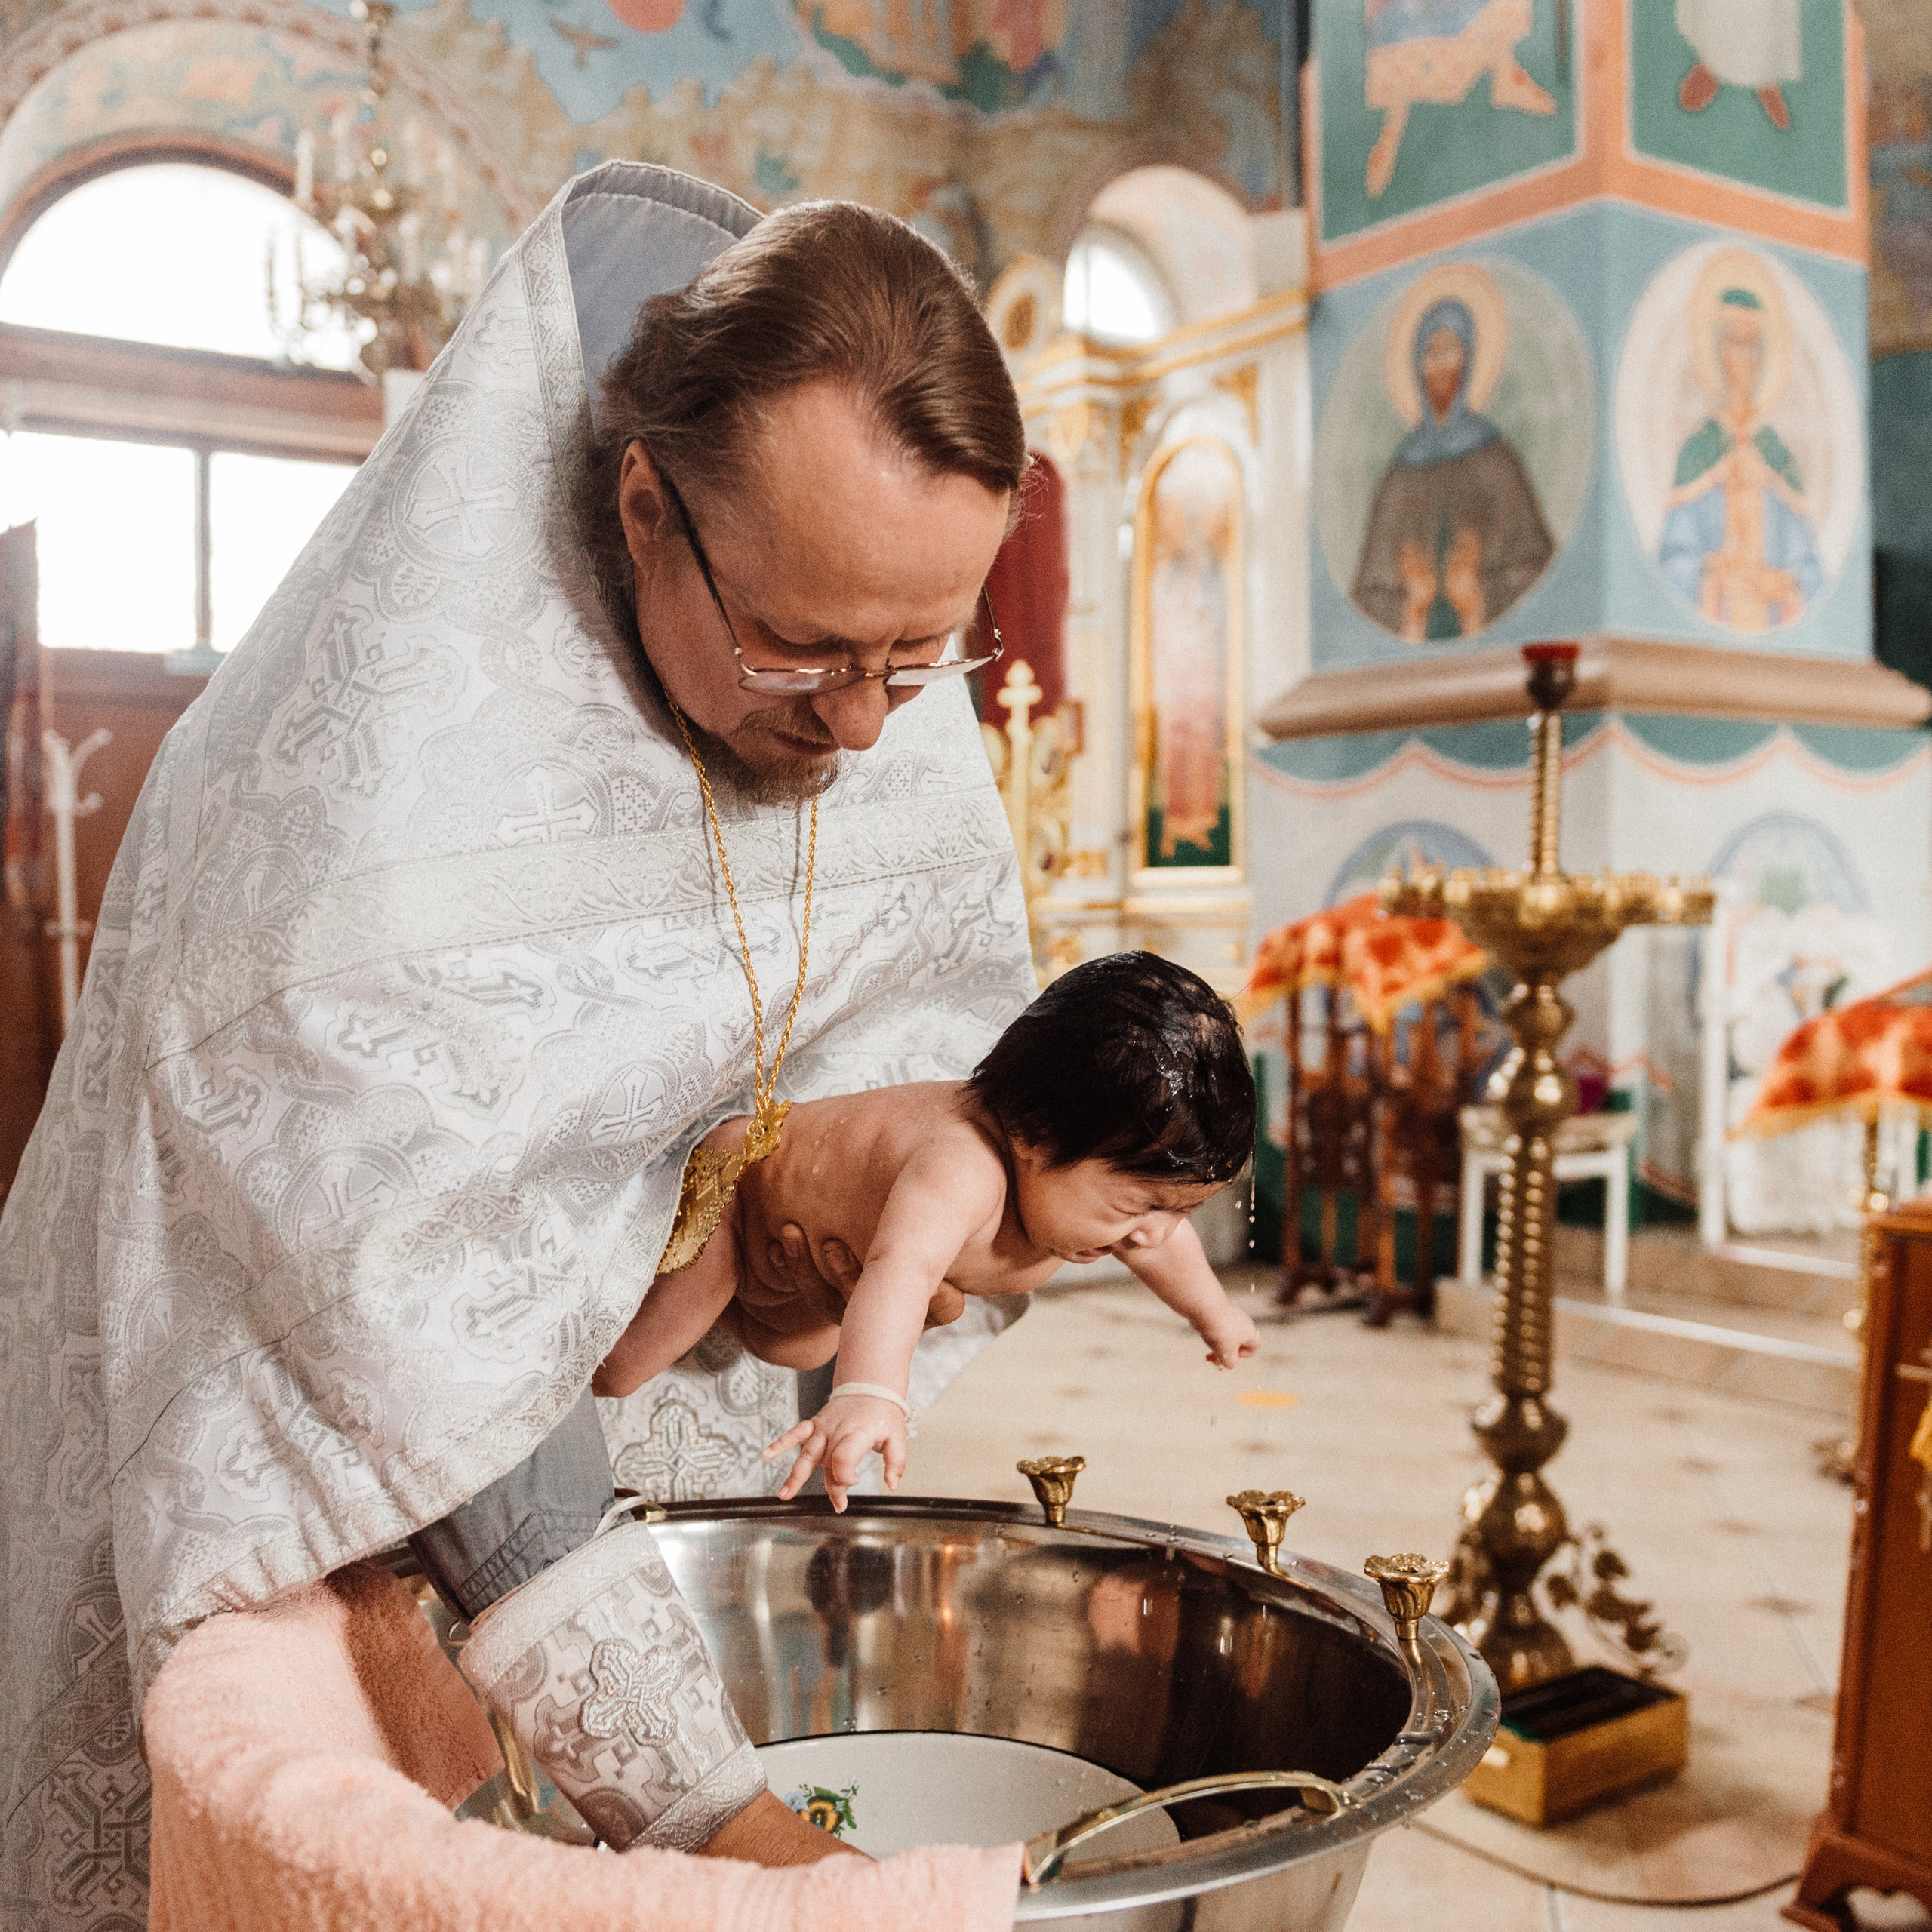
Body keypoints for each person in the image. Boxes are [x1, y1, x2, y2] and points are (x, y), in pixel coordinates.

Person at [1, 163, 1041, 1926]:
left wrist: (873, 1205)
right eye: (798, 652)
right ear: (646, 509)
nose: (865, 725)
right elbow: (403, 1328)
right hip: (380, 1536)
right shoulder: (343, 823)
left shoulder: (852, 659)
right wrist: (703, 1808)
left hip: (677, 1517)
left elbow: (926, 1037)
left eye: (921, 653)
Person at [591, 953, 1261, 1504]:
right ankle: (544, 1368)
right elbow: (902, 1271)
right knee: (622, 1370)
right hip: (742, 1197)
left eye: (1178, 1209)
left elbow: (1164, 1242)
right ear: (1034, 1134)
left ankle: (746, 1316)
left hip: (809, 1271)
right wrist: (870, 1394)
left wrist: (1213, 1312)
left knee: (797, 1348)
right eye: (1136, 1206)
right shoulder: (963, 1169)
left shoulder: (1101, 1197)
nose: (1149, 1235)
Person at [1350, 295, 1555, 643]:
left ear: (1469, 360)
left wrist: (1476, 595)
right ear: (1417, 366)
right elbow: (1368, 594)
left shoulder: (1497, 463)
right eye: (1432, 353)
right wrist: (1412, 605)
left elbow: (1538, 571)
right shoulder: (1400, 476)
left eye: (1452, 351)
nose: (1442, 367)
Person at [1659, 281, 1821, 632]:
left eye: (1755, 345)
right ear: (1717, 351)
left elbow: (1808, 565)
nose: (1747, 357)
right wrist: (1713, 575)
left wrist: (1785, 584)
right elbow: (1675, 558)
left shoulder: (1776, 453)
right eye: (1736, 342)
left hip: (1771, 615)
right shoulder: (1700, 450)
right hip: (1717, 612)